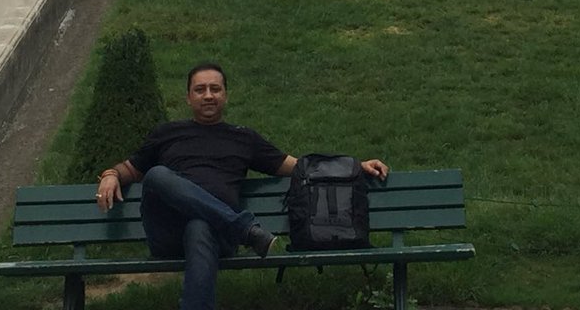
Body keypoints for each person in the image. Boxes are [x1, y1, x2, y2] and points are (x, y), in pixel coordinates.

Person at [95, 63, 389, 310]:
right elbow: (131, 169)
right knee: (157, 175)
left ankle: (236, 230)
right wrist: (110, 174)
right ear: (188, 98)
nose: (208, 95)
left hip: (216, 236)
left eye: (215, 89)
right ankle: (246, 230)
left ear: (225, 95)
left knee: (200, 225)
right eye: (200, 90)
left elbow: (300, 167)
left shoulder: (243, 138)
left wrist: (355, 166)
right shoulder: (167, 133)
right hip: (167, 233)